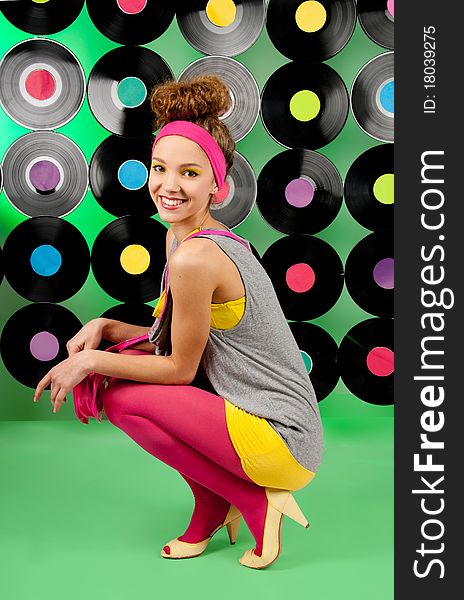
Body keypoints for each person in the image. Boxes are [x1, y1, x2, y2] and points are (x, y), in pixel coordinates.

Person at [33, 74, 324, 569]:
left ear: (219, 184)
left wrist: (88, 365)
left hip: (282, 436)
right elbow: (172, 341)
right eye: (159, 168)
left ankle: (251, 500)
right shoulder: (187, 239)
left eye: (189, 173)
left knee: (120, 397)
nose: (168, 186)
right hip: (248, 413)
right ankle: (215, 502)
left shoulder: (196, 259)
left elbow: (179, 370)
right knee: (120, 394)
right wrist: (106, 326)